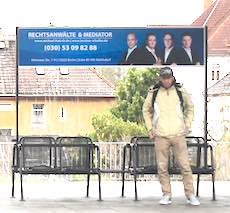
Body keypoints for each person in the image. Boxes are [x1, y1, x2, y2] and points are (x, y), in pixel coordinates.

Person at [142, 67, 200, 206]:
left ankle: (190, 194)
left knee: (185, 166)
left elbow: (190, 107)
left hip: (178, 134)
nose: (166, 80)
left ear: (172, 78)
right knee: (162, 167)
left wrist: (187, 124)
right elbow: (146, 110)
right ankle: (166, 194)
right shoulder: (154, 92)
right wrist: (150, 128)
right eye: (164, 78)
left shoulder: (180, 91)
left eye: (168, 77)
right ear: (160, 79)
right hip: (160, 135)